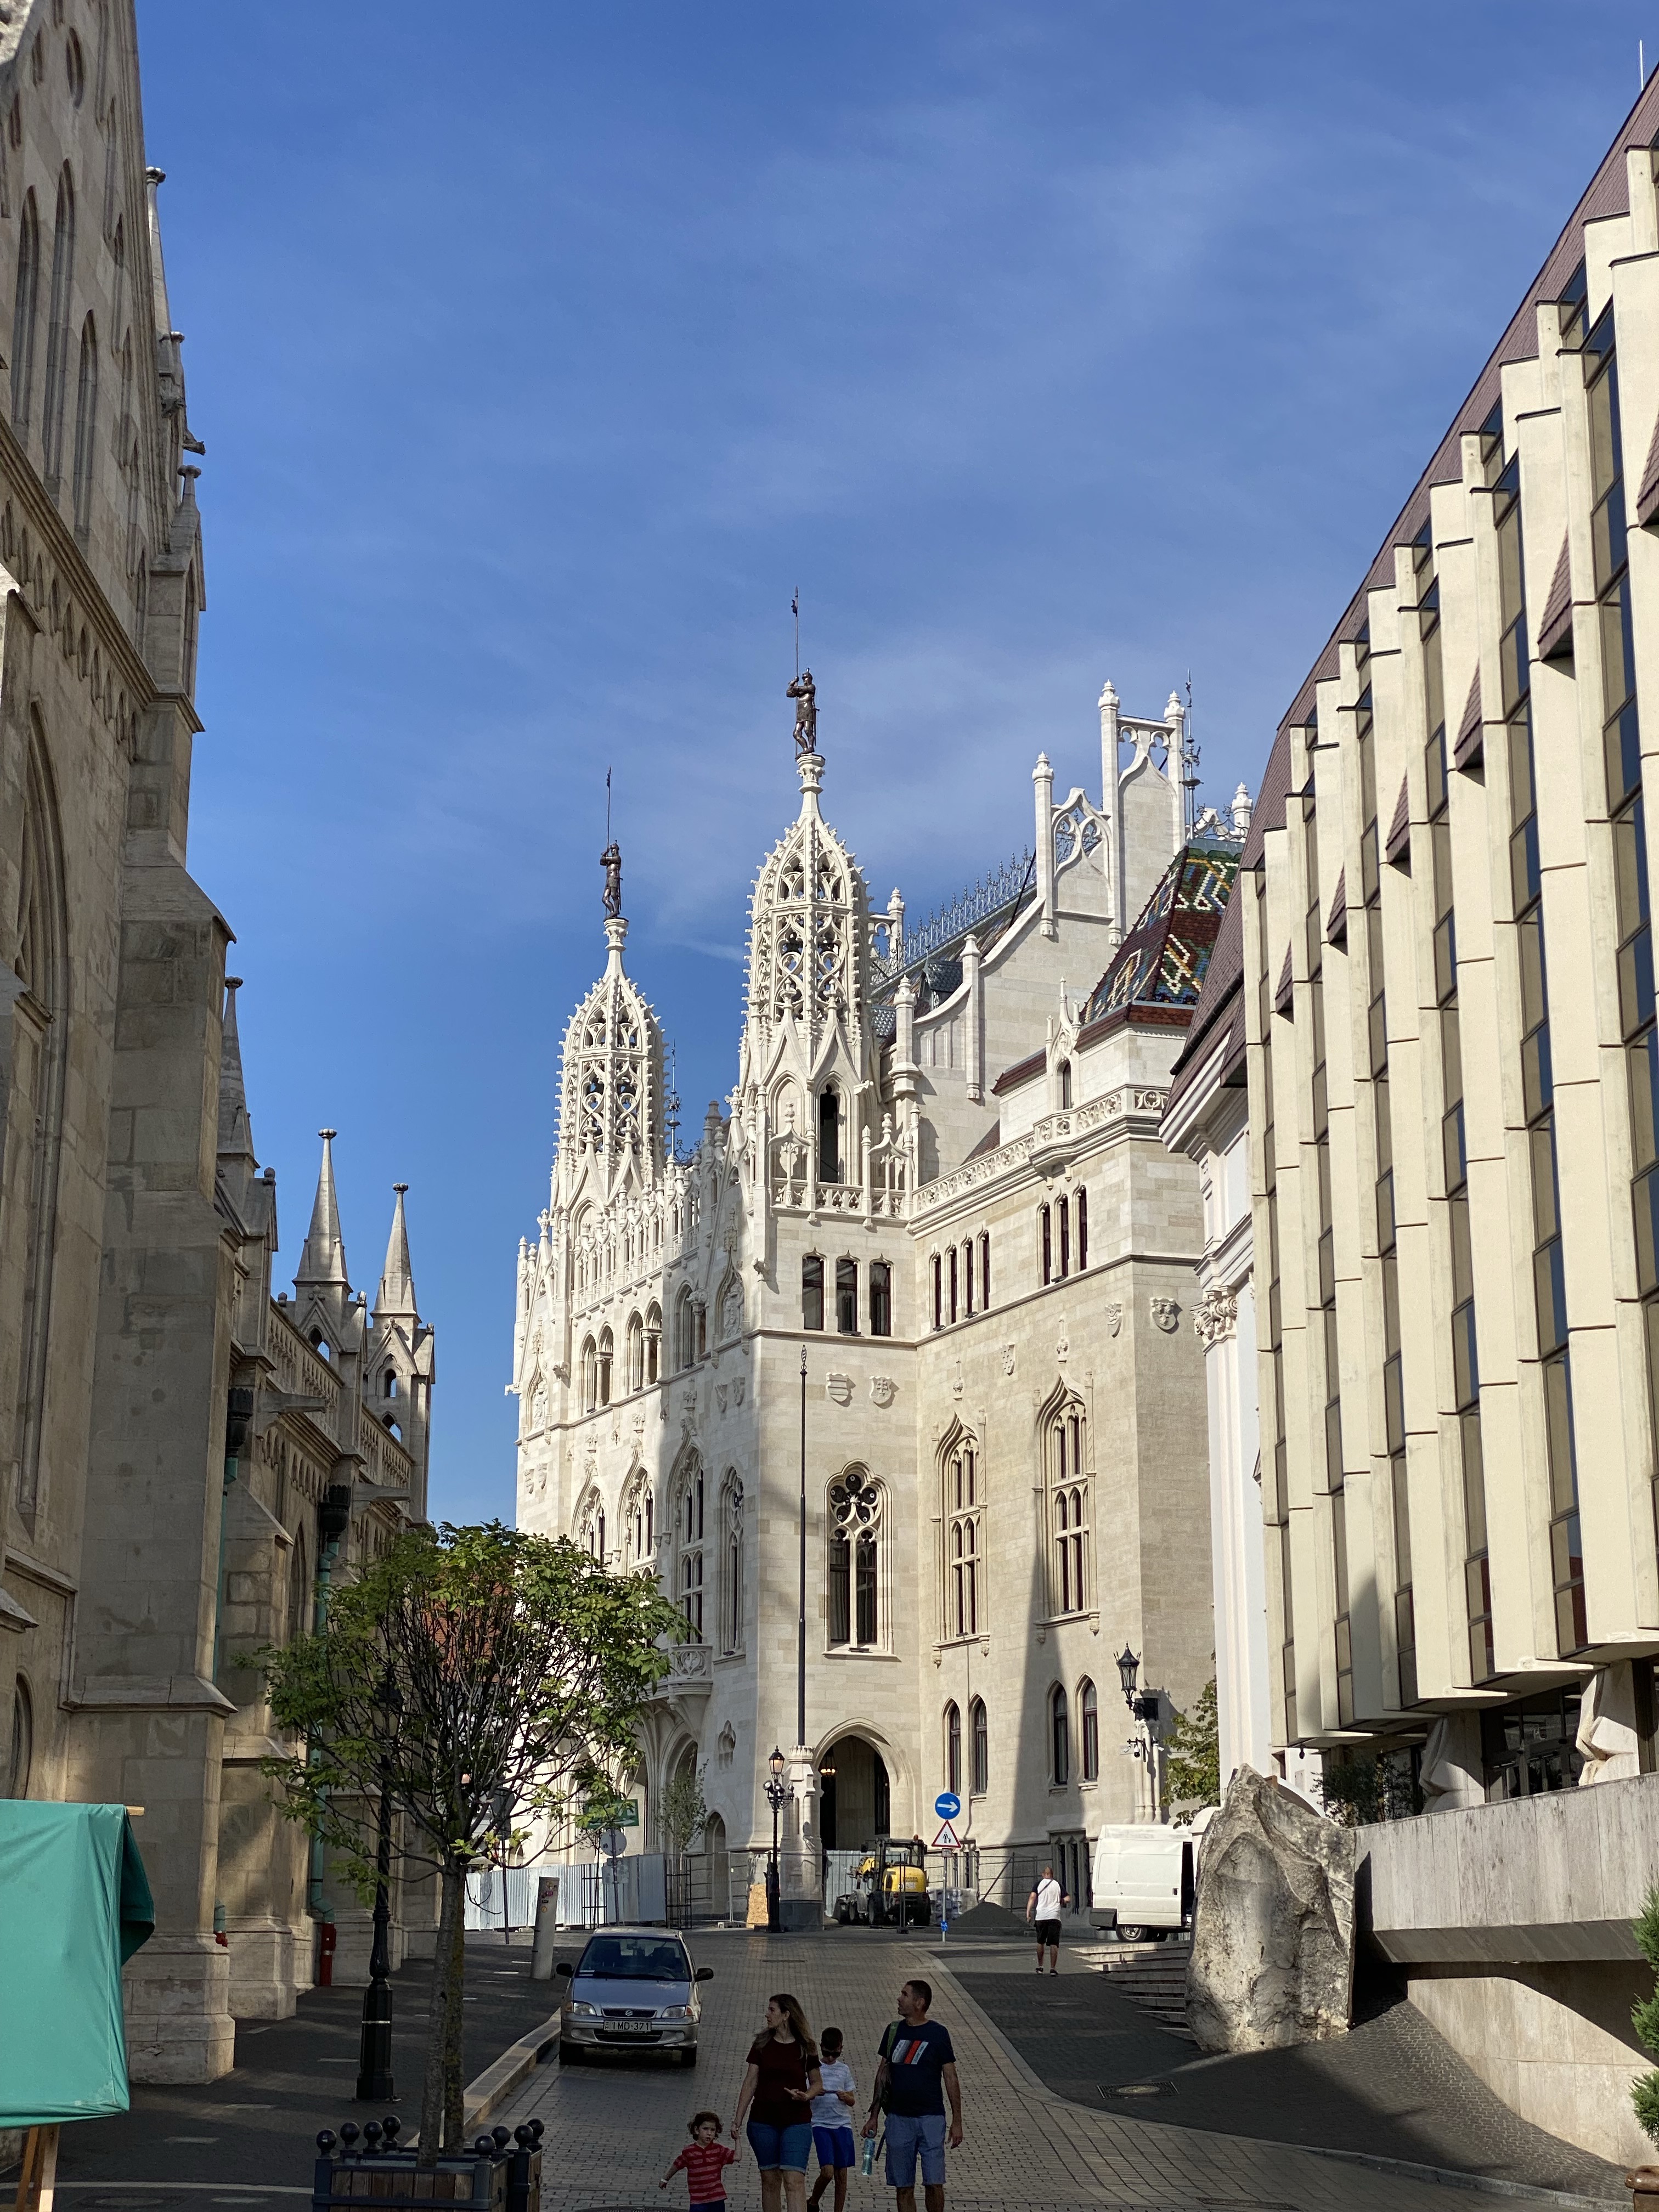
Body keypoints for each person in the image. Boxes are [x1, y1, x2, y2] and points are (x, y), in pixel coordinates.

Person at [862, 1978, 962, 2212]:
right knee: (903, 2186)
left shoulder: (938, 2034)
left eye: (904, 1995)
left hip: (931, 2119)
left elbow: (951, 2078)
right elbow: (882, 2076)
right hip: (898, 2120)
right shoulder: (893, 2031)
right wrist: (874, 2116)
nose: (899, 1998)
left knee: (934, 2183)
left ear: (919, 2002)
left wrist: (957, 2122)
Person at [732, 1991, 824, 2212]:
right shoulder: (762, 2043)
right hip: (763, 2122)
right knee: (770, 2181)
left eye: (772, 2010)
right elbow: (750, 2082)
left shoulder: (807, 2046)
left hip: (797, 2122)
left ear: (786, 2015)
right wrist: (737, 2120)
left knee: (794, 2181)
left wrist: (807, 2095)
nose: (767, 2014)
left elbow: (817, 2083)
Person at [806, 2026, 857, 2212]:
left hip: (842, 2125)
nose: (830, 2059)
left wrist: (846, 2097)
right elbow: (806, 2095)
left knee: (842, 2174)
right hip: (821, 2124)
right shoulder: (813, 2069)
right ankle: (813, 2201)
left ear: (841, 2049)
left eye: (834, 2055)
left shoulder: (844, 2070)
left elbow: (852, 2101)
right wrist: (813, 2092)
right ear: (821, 2048)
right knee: (827, 2172)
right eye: (827, 2054)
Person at [661, 2111, 740, 2211]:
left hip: (717, 2198)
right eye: (706, 2129)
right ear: (697, 2130)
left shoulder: (719, 2150)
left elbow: (737, 2157)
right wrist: (665, 2179)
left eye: (713, 2130)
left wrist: (737, 2139)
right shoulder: (689, 2152)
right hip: (698, 2200)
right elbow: (677, 2165)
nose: (709, 2133)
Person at [1026, 1864, 1067, 1975]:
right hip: (1054, 1917)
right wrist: (1062, 1902)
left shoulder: (1038, 1884)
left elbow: (1032, 1897)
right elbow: (1067, 1899)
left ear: (1044, 1874)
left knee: (1040, 1942)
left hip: (1041, 1917)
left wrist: (1028, 1912)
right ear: (1052, 1875)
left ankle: (1040, 1966)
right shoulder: (1058, 1884)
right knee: (1054, 1943)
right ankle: (1053, 1969)